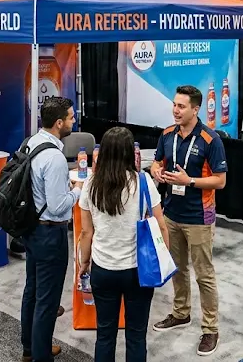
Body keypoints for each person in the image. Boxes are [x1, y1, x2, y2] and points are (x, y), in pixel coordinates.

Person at [78, 126, 168, 362]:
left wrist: (83, 263)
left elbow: (86, 232)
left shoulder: (90, 184)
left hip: (103, 268)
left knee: (104, 335)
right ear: (131, 153)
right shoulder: (143, 181)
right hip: (138, 271)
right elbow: (161, 224)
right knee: (136, 335)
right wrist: (163, 257)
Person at [150, 85, 227, 356]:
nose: (175, 110)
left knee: (204, 274)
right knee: (177, 268)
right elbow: (155, 162)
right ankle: (181, 313)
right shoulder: (167, 134)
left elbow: (220, 180)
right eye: (174, 104)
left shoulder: (210, 139)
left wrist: (189, 181)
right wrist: (157, 171)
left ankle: (210, 328)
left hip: (199, 217)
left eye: (181, 106)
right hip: (171, 213)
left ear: (195, 109)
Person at [20, 96, 80, 362]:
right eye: (70, 117)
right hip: (50, 234)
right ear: (58, 123)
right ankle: (41, 356)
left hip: (32, 228)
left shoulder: (31, 142)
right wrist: (77, 191)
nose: (74, 120)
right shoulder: (54, 157)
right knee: (47, 300)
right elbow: (57, 207)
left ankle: (30, 348)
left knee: (32, 291)